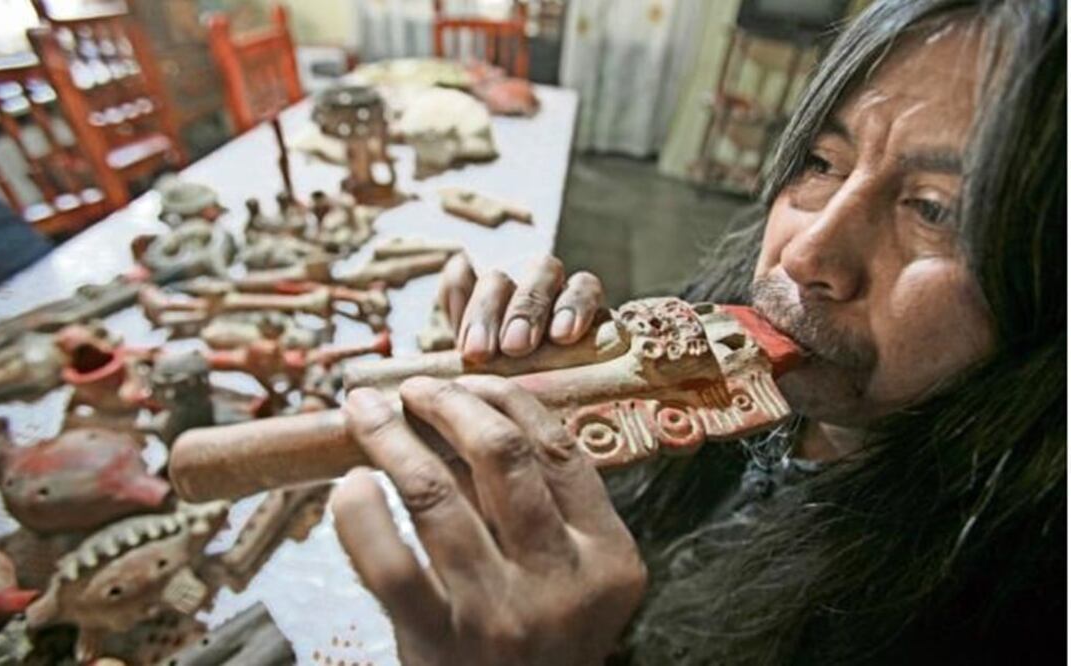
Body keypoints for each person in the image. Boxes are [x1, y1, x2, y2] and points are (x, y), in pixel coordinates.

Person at [329, 0, 1066, 663]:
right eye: (820, 162)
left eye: (934, 210)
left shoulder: (998, 609)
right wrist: (565, 429)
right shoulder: (725, 346)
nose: (806, 253)